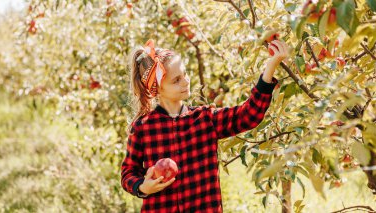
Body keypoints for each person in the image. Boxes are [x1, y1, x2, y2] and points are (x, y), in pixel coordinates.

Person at [121, 38, 289, 212]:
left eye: (185, 74)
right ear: (157, 88)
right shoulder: (143, 128)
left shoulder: (205, 118)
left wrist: (270, 68)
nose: (186, 82)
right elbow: (128, 172)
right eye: (176, 80)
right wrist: (142, 187)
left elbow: (248, 115)